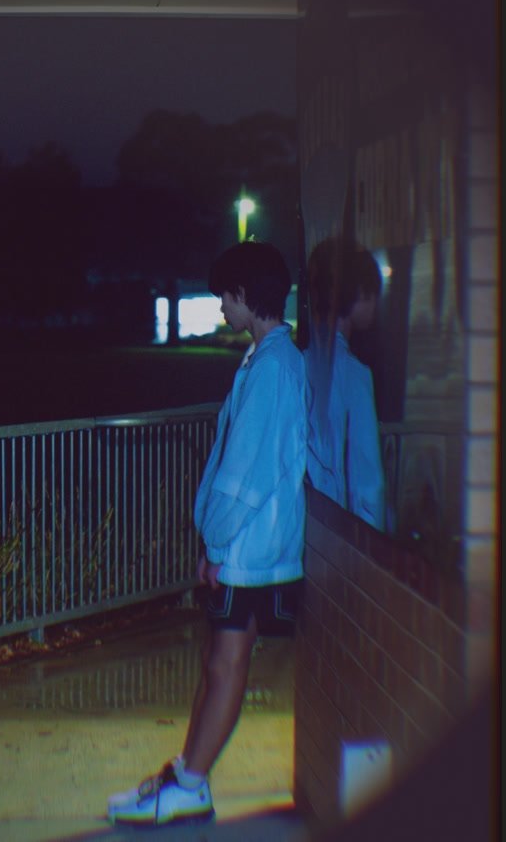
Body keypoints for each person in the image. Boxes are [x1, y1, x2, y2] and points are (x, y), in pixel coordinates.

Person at [108, 241, 307, 827]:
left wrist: (216, 544)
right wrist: (216, 545)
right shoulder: (269, 360)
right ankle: (188, 773)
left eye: (226, 295)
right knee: (220, 662)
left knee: (225, 665)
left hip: (247, 550)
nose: (221, 305)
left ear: (247, 295)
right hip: (247, 547)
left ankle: (191, 784)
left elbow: (246, 471)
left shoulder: (271, 367)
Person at [305, 238, 385, 529]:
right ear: (359, 294)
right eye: (372, 294)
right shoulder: (355, 374)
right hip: (336, 524)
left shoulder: (301, 361)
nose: (375, 305)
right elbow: (367, 479)